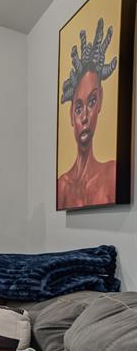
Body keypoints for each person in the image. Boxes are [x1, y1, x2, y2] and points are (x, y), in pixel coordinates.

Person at [57, 18, 118, 209]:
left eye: (91, 102)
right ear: (71, 115)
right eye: (78, 107)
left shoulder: (112, 173)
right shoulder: (61, 186)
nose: (84, 117)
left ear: (100, 100)